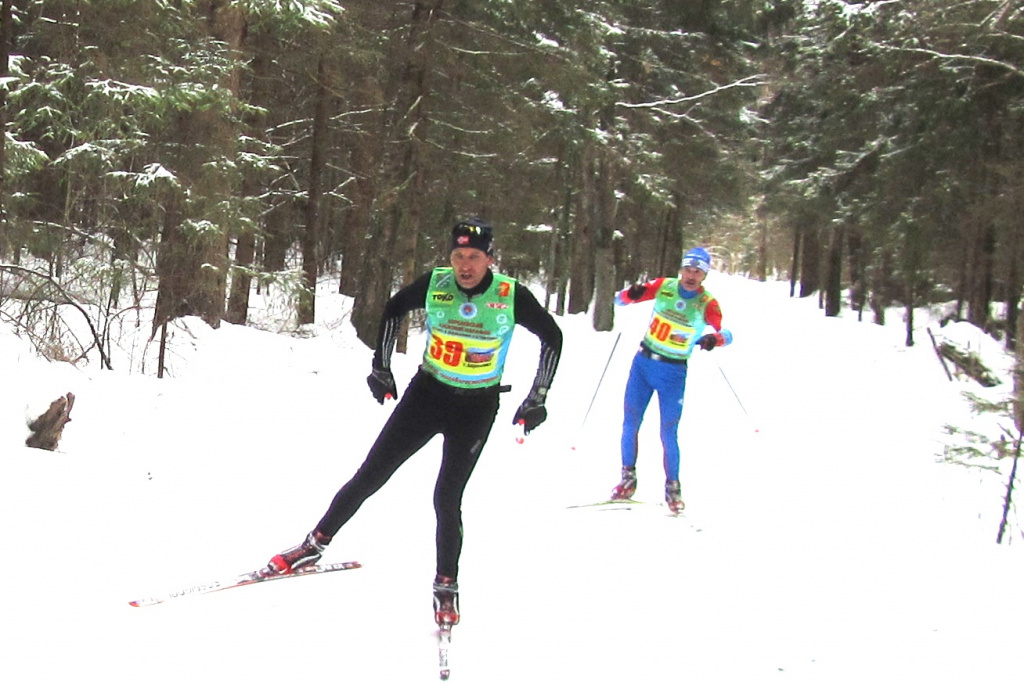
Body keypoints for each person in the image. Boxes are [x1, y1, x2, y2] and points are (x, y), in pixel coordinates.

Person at [267, 218, 562, 629]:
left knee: (447, 498)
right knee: (371, 474)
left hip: (476, 407)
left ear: (490, 259)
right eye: (459, 256)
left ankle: (446, 584)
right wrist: (381, 369)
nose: (465, 265)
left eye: (474, 257)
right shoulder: (436, 283)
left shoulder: (510, 295)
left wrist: (538, 397)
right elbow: (392, 310)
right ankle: (314, 544)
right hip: (427, 394)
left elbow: (553, 336)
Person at [610, 246, 732, 514]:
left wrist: (714, 339)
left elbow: (727, 333)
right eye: (688, 269)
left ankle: (672, 488)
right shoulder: (664, 286)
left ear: (704, 275)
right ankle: (627, 479)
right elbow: (619, 300)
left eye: (698, 271)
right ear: (681, 269)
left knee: (668, 432)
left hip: (672, 372)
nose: (691, 275)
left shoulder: (706, 303)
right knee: (630, 423)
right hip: (643, 364)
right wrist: (631, 294)